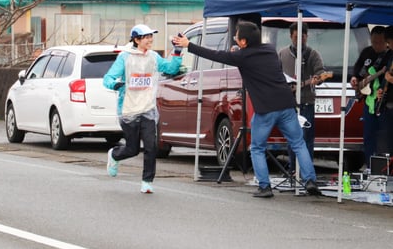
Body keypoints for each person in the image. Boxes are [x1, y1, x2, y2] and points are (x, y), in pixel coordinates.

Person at [179, 20, 321, 198]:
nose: (234, 37)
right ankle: (310, 180)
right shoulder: (270, 50)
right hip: (286, 104)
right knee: (298, 143)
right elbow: (257, 59)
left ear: (244, 42)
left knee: (257, 147)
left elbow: (215, 55)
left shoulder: (242, 57)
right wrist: (239, 53)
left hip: (266, 109)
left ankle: (264, 186)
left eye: (236, 35)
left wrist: (188, 44)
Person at [103, 24, 184, 194]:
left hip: (148, 108)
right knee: (132, 149)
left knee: (151, 146)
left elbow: (171, 68)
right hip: (128, 109)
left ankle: (147, 181)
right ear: (136, 39)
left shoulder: (154, 57)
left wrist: (177, 52)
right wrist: (116, 84)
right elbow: (108, 78)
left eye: (151, 37)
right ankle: (115, 155)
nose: (150, 40)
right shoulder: (125, 57)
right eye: (146, 37)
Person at [278, 22, 326, 174]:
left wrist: (317, 78)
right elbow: (277, 75)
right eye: (296, 37)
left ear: (307, 36)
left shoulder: (313, 54)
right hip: (289, 102)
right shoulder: (283, 54)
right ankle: (293, 169)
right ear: (291, 36)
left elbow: (321, 74)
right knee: (291, 137)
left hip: (306, 102)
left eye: (303, 37)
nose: (300, 40)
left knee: (306, 138)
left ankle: (306, 171)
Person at [350, 26, 391, 172]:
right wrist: (355, 78)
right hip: (368, 101)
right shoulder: (367, 52)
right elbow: (357, 67)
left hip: (383, 102)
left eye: (379, 42)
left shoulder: (389, 56)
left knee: (384, 137)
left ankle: (384, 168)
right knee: (368, 135)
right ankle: (369, 165)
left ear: (386, 42)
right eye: (374, 42)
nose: (376, 45)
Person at [375, 26, 393, 157]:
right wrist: (381, 90)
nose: (388, 45)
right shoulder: (390, 55)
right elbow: (385, 77)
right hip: (388, 104)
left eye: (389, 42)